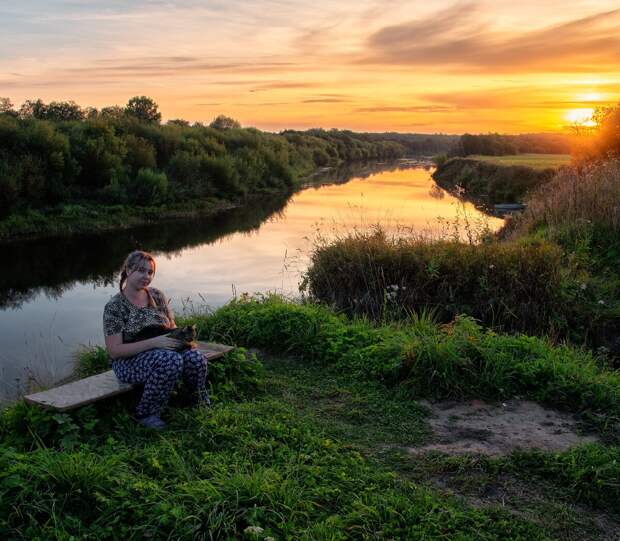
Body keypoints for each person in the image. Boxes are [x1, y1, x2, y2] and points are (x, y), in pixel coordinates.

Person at [103, 250, 209, 430]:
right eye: (141, 271)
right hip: (128, 362)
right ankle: (146, 413)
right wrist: (154, 343)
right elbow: (115, 351)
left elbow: (171, 326)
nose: (146, 276)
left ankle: (195, 399)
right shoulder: (115, 307)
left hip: (162, 351)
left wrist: (182, 339)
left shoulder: (157, 296)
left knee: (195, 358)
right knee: (170, 361)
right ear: (128, 270)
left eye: (150, 272)